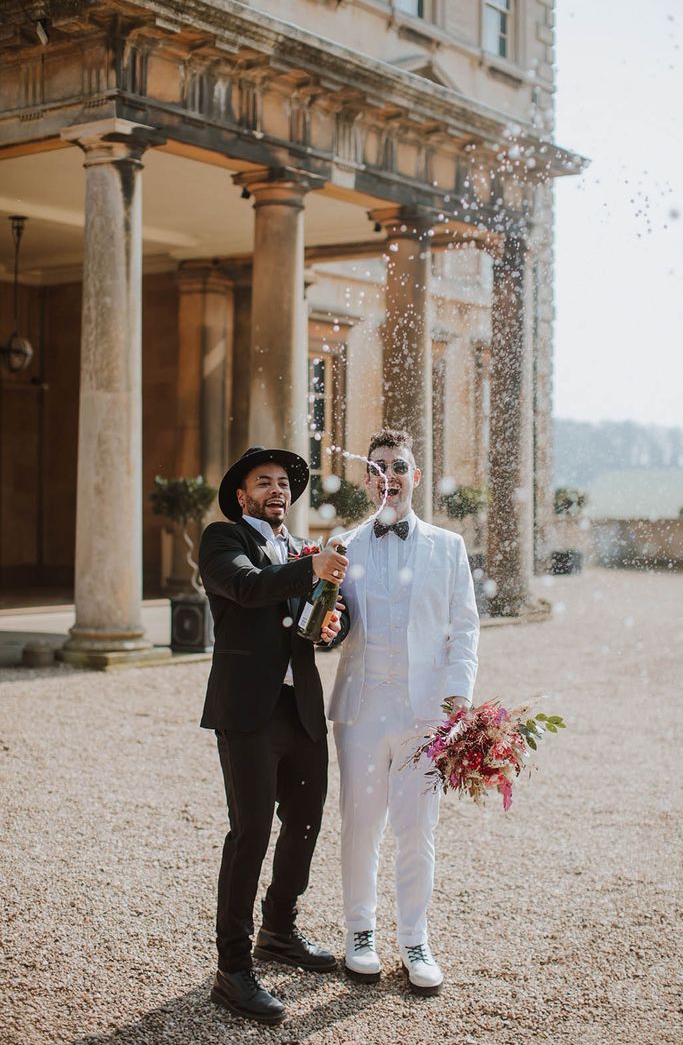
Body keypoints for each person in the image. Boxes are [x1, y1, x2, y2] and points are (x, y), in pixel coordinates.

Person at [199, 446, 349, 1026]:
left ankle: (279, 930)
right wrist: (311, 570)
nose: (277, 490)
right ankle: (232, 969)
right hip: (248, 711)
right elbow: (246, 588)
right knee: (251, 831)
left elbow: (315, 619)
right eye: (264, 482)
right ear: (243, 495)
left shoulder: (300, 551)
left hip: (301, 708)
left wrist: (333, 624)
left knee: (306, 820)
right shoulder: (223, 538)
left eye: (284, 482)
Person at [329, 428, 479, 996]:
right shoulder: (342, 545)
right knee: (360, 823)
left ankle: (415, 938)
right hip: (362, 708)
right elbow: (328, 622)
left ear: (416, 476)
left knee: (418, 829)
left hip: (423, 712)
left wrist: (458, 698)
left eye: (400, 465)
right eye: (378, 466)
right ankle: (359, 931)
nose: (388, 474)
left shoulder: (447, 547)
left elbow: (463, 627)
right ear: (368, 480)